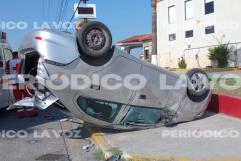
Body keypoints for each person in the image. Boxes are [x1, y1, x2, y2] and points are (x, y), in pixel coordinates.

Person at [6, 51, 37, 118]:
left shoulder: (8, 62)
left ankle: (21, 115)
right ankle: (31, 113)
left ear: (12, 55)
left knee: (18, 99)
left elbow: (7, 73)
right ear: (18, 55)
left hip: (14, 83)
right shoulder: (23, 60)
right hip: (23, 83)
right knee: (28, 98)